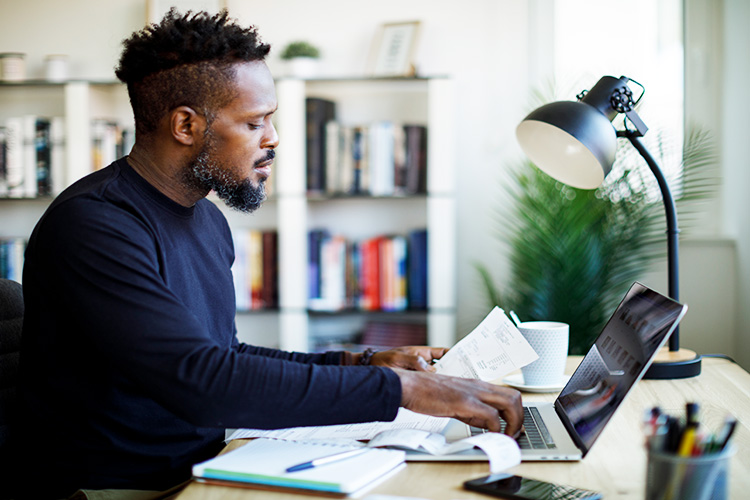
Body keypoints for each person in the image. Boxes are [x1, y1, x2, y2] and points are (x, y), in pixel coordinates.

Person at [15, 10, 522, 499]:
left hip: (203, 466)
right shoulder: (95, 226)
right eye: (256, 122)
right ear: (185, 126)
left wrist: (363, 360)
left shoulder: (205, 217)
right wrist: (403, 390)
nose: (274, 138)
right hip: (122, 488)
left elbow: (225, 356)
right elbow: (203, 383)